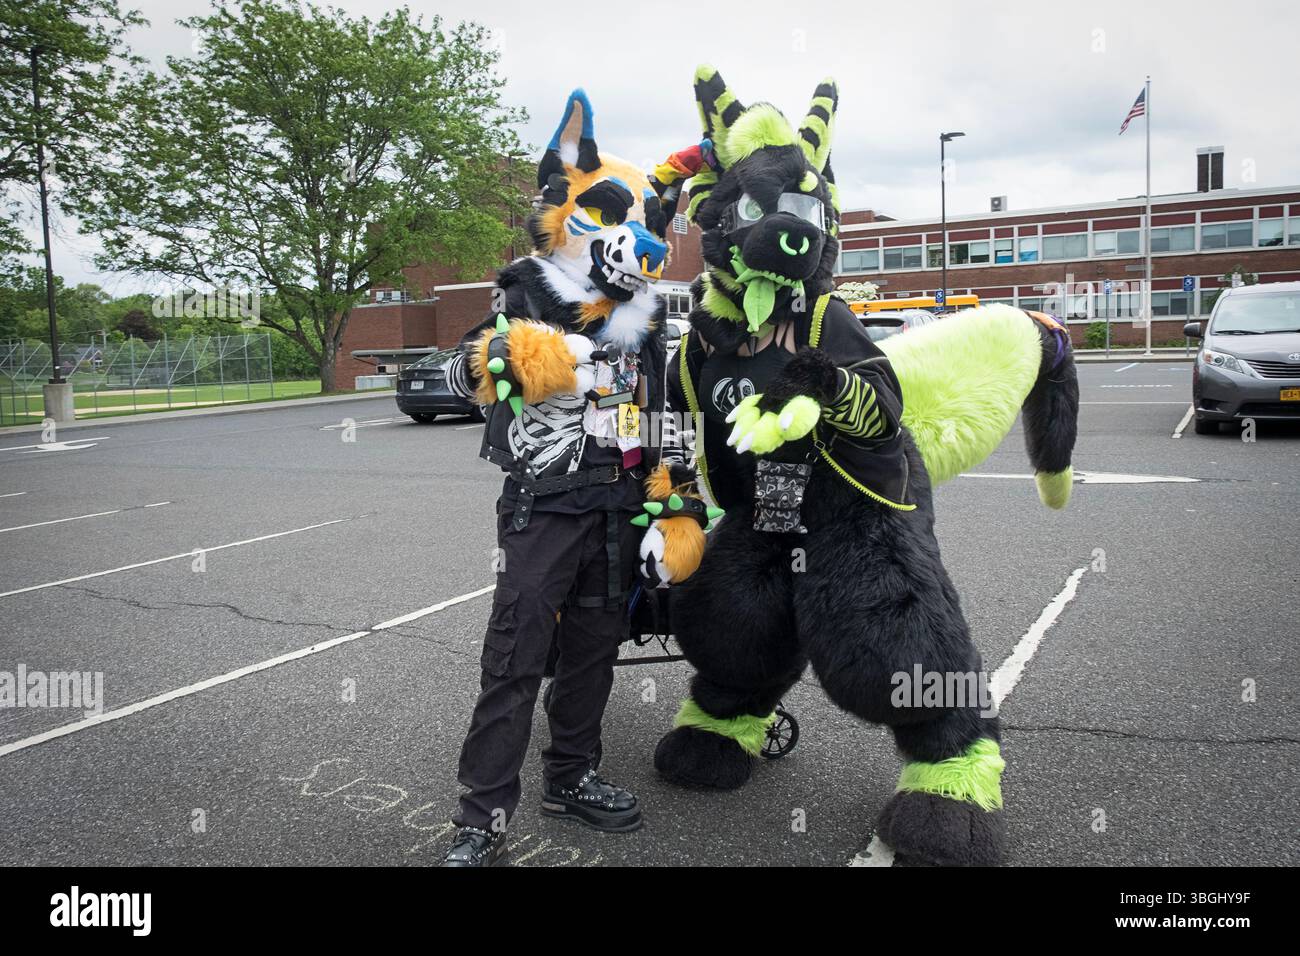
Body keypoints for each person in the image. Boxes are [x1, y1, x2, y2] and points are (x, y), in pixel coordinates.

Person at [438, 89, 707, 867]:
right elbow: (465, 373)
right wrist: (528, 360)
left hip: (618, 508)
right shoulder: (524, 290)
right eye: (607, 221)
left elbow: (664, 414)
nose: (627, 244)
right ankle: (482, 814)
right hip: (543, 507)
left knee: (593, 651)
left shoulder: (646, 315)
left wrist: (676, 505)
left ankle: (571, 775)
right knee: (516, 655)